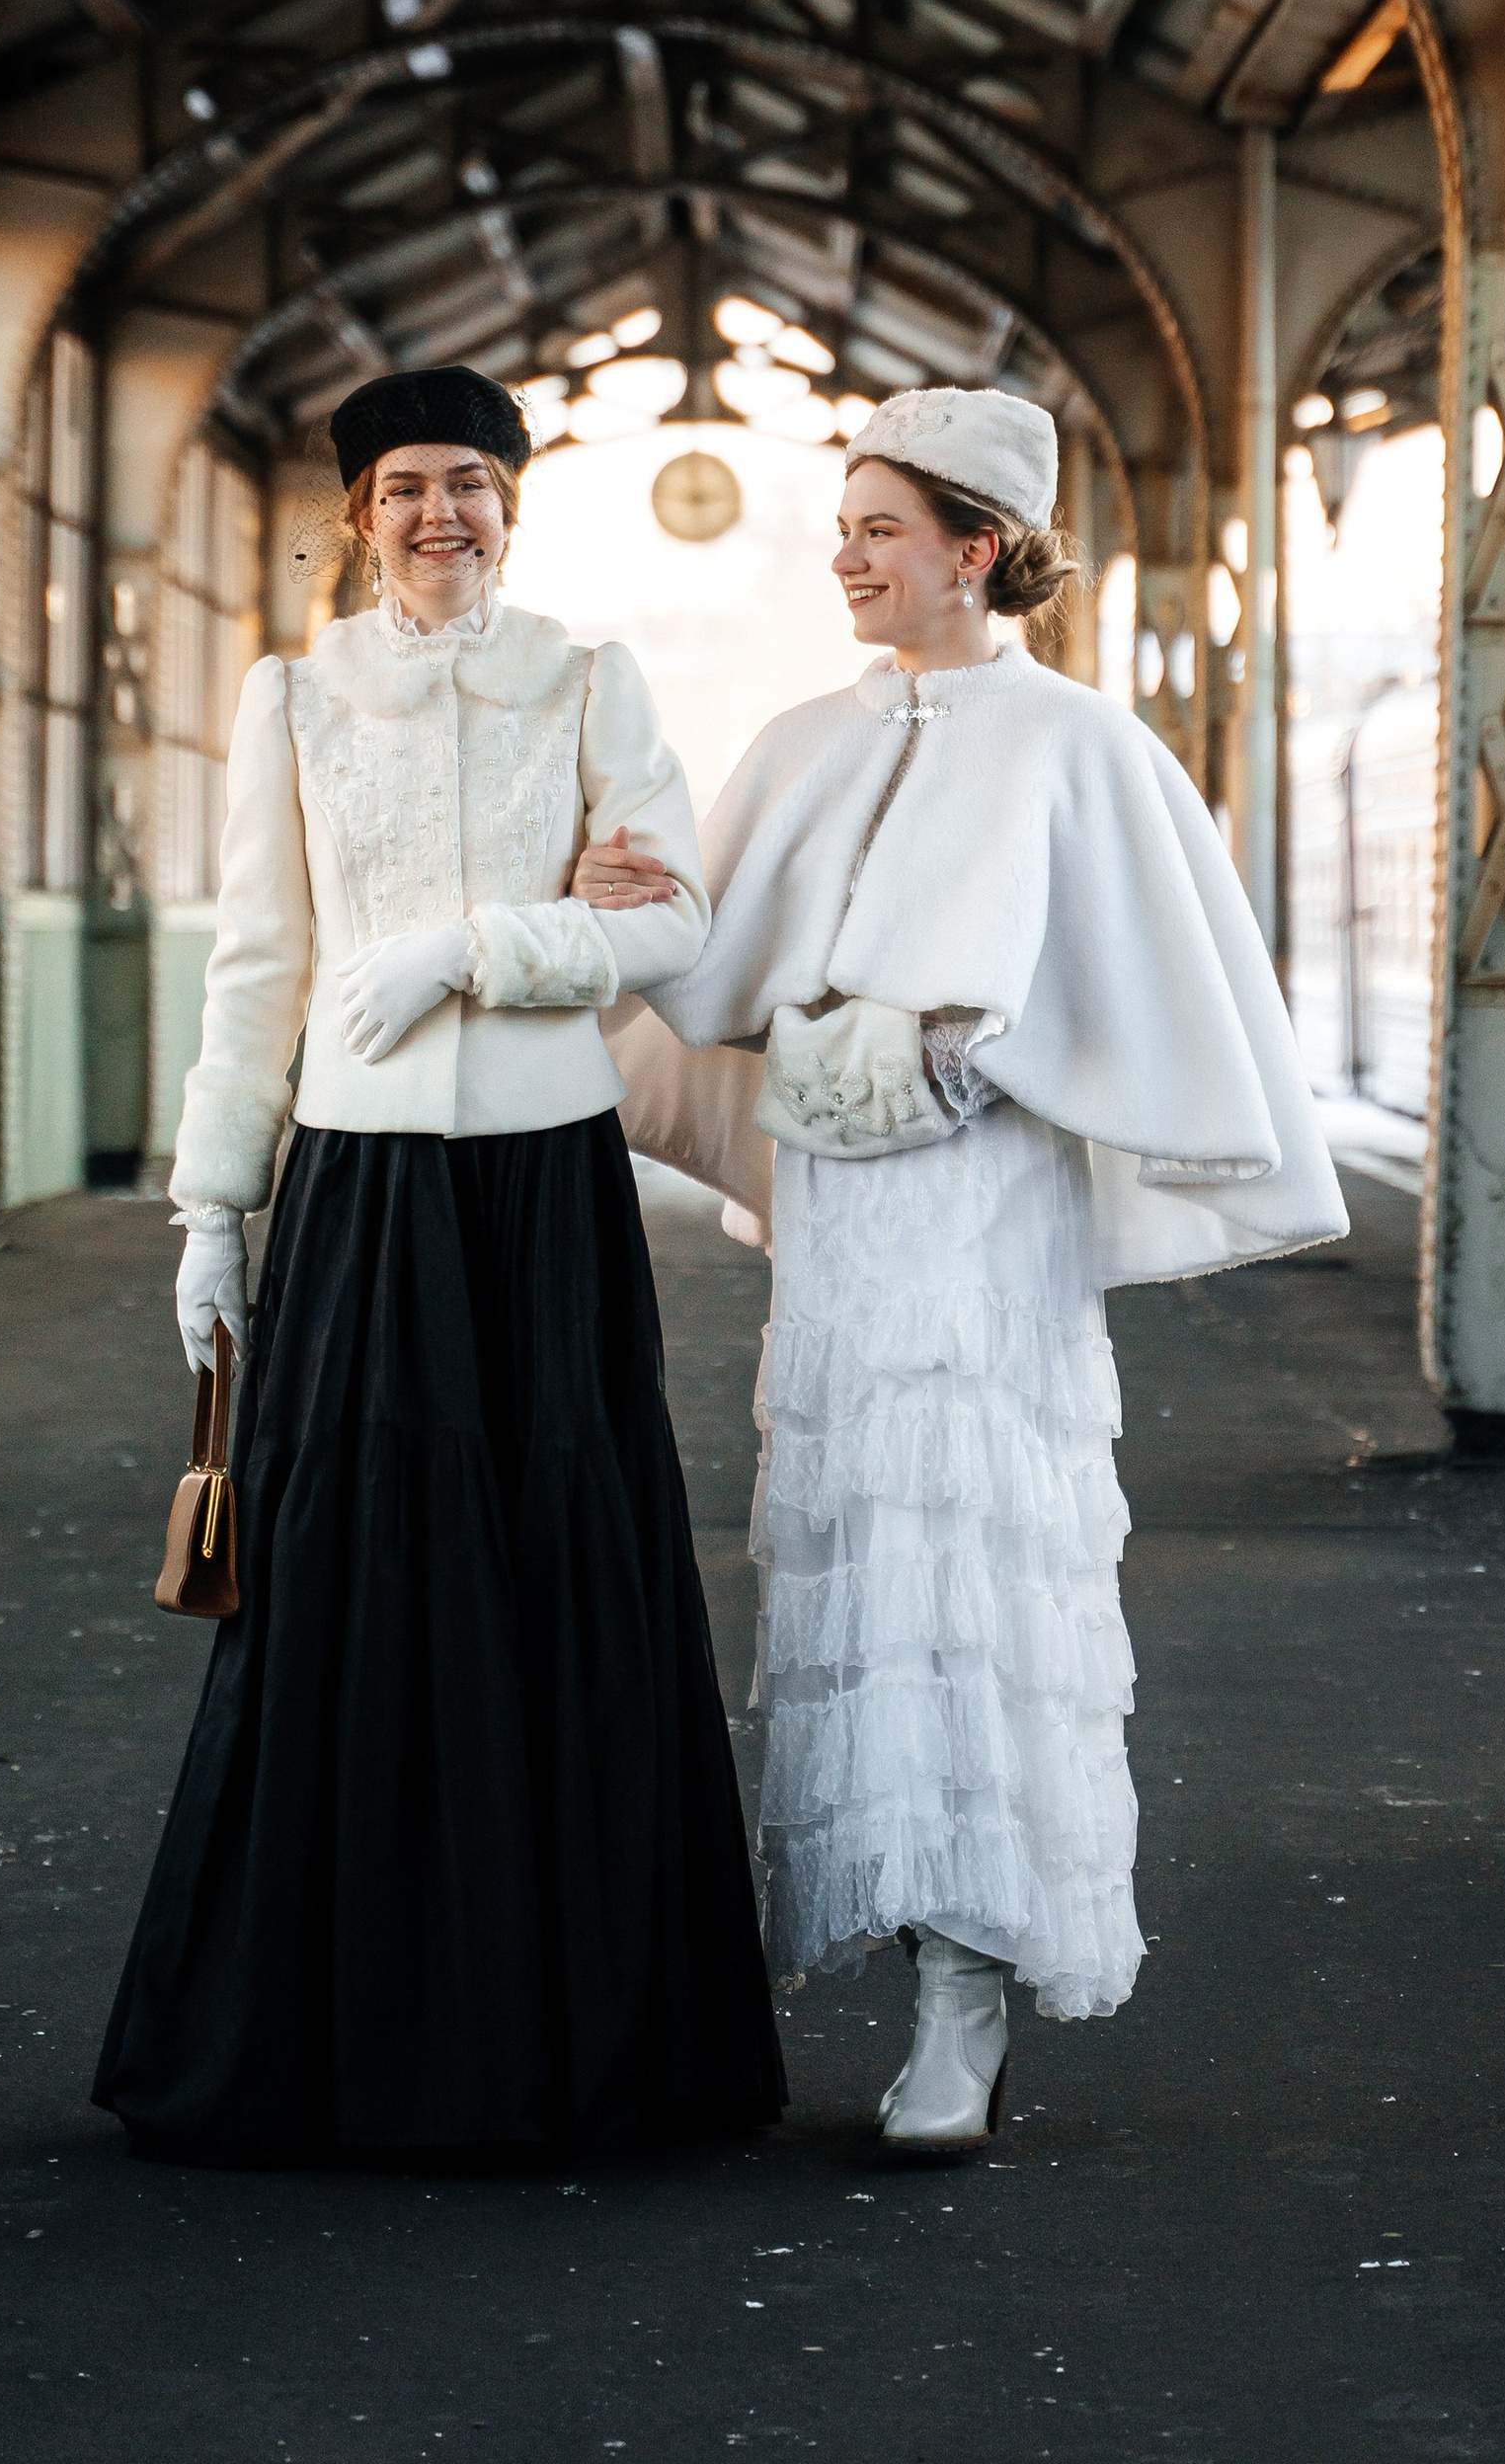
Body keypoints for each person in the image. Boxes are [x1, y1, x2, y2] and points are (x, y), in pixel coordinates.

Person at [593, 385, 1344, 2155]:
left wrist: (979, 1049)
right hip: (842, 1228)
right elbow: (709, 963)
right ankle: (907, 1958)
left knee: (980, 1572)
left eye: (878, 530)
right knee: (862, 1562)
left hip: (990, 1223)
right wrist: (620, 893)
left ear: (976, 548)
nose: (844, 560)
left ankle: (966, 1995)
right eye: (842, 530)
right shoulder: (801, 738)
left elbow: (1134, 994)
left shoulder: (1083, 749)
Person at [93, 364, 785, 2165]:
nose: (438, 515)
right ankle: (340, 2042)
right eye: (404, 486)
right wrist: (211, 1207)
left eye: (470, 482)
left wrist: (474, 946)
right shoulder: (292, 698)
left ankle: (574, 2039)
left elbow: (675, 922)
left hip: (548, 1183)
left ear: (510, 505)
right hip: (360, 1184)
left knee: (563, 1553)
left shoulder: (591, 681)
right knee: (348, 1566)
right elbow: (259, 964)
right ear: (357, 513)